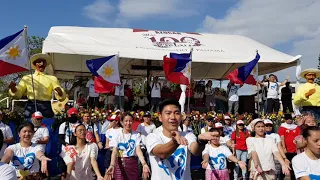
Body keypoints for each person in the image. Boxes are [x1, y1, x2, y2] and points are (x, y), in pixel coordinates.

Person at [145, 99, 217, 180]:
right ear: (160, 117)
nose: (172, 117)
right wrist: (175, 141)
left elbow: (195, 150)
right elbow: (161, 153)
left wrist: (201, 142)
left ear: (181, 117)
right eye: (168, 113)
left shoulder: (188, 135)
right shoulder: (152, 137)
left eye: (177, 113)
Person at [8, 53, 66, 118]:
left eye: (43, 62)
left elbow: (61, 95)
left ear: (45, 64)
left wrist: (60, 93)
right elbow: (19, 92)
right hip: (31, 105)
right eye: (39, 62)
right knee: (28, 124)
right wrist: (13, 89)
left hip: (46, 106)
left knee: (47, 123)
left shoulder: (52, 78)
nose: (41, 63)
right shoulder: (27, 78)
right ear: (34, 64)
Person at [105, 113, 150, 180]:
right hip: (120, 164)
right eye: (126, 121)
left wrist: (144, 164)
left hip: (132, 164)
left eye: (130, 121)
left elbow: (138, 150)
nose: (128, 123)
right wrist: (112, 165)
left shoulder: (136, 134)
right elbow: (114, 151)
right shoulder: (117, 134)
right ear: (122, 122)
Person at [278, 114, 300, 180]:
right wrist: (284, 148)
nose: (289, 120)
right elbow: (282, 138)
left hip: (295, 150)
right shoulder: (282, 127)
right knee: (285, 165)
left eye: (290, 119)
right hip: (286, 150)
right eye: (287, 119)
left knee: (294, 166)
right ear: (285, 120)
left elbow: (298, 138)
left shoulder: (296, 127)